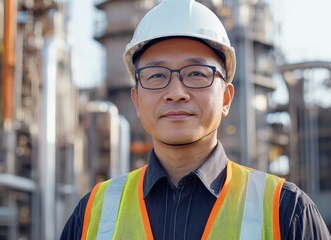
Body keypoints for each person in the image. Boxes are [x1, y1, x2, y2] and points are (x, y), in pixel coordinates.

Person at [61, 0, 331, 239]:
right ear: (136, 101)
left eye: (197, 74)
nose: (176, 93)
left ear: (226, 98)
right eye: (156, 75)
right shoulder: (92, 216)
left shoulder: (286, 211)